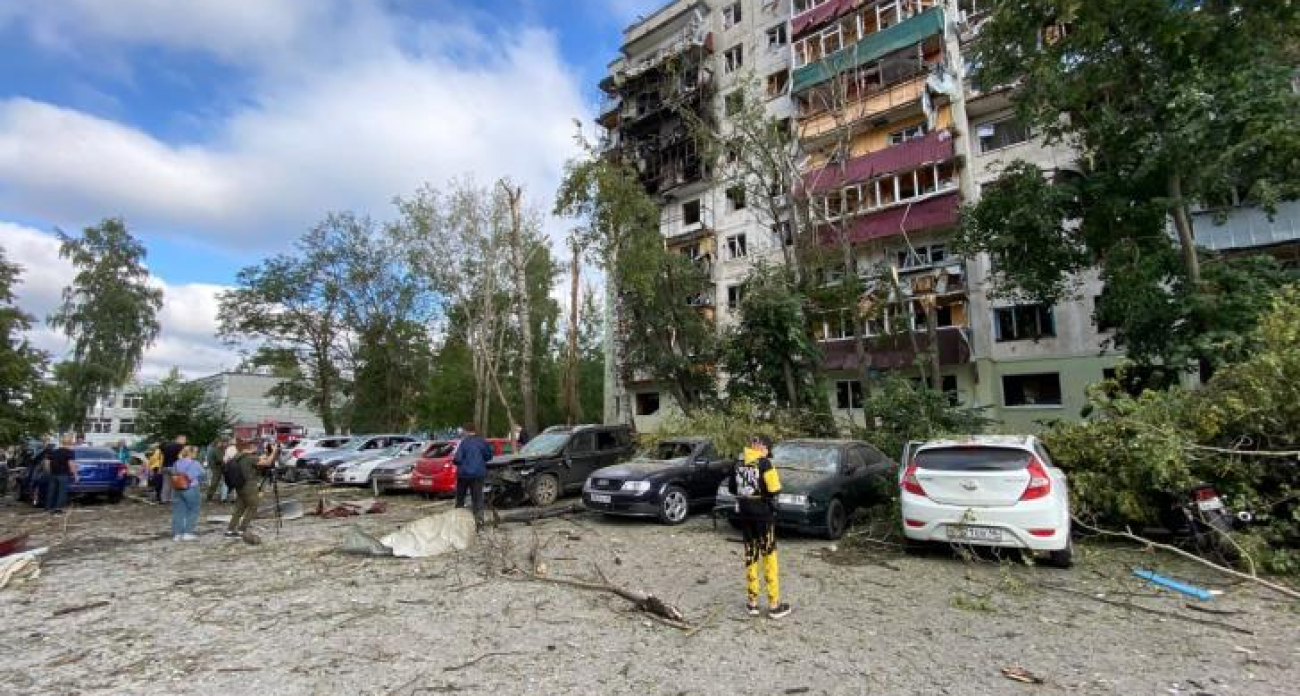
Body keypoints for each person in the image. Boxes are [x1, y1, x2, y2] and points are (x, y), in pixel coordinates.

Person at [727, 435, 790, 619]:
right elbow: (775, 489)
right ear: (763, 448)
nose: (767, 453)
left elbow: (732, 488)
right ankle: (774, 605)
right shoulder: (765, 464)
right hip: (763, 516)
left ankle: (752, 602)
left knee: (751, 556)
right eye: (767, 450)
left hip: (745, 516)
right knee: (769, 557)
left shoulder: (738, 463)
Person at [223, 439, 276, 539]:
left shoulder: (237, 456)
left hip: (239, 485)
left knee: (239, 508)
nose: (257, 448)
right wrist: (274, 452)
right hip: (249, 486)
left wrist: (264, 455)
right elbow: (267, 463)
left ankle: (230, 530)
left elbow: (257, 460)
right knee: (253, 507)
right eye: (255, 446)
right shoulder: (250, 458)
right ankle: (242, 529)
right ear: (251, 447)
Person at [452, 423, 495, 529]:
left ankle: (458, 523)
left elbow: (457, 459)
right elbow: (489, 456)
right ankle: (479, 524)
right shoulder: (482, 441)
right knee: (477, 499)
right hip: (478, 474)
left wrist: (459, 462)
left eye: (463, 431)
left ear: (466, 431)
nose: (462, 433)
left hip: (463, 475)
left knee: (460, 499)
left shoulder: (463, 443)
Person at [171, 446, 206, 541]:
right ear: (191, 453)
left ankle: (177, 534)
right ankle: (187, 532)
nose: (196, 454)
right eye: (195, 452)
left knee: (178, 511)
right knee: (193, 510)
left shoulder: (176, 463)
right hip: (191, 488)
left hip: (178, 488)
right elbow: (203, 474)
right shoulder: (195, 463)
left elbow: (173, 473)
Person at [45, 435, 78, 515]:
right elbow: (71, 464)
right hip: (63, 474)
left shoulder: (54, 451)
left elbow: (47, 462)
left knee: (52, 491)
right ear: (70, 443)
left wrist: (49, 471)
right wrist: (75, 475)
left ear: (62, 443)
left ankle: (49, 507)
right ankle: (58, 509)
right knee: (61, 492)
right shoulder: (69, 452)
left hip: (53, 474)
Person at [158, 434, 187, 504]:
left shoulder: (166, 446)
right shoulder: (180, 446)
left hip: (165, 466)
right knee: (175, 484)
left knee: (166, 484)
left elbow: (161, 450)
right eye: (184, 439)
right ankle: (173, 499)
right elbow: (181, 457)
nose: (185, 441)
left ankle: (164, 499)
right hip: (174, 467)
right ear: (179, 439)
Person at [204, 437, 229, 503]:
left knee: (218, 483)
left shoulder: (219, 449)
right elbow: (220, 459)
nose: (225, 444)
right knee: (214, 483)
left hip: (219, 468)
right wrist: (227, 460)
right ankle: (209, 497)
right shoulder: (216, 449)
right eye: (222, 442)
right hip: (216, 468)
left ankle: (221, 497)